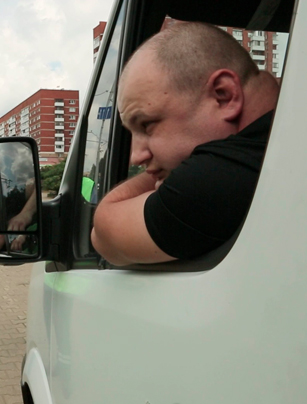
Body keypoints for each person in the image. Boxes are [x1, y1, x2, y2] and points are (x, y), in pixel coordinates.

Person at [91, 22, 280, 266]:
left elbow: (104, 232)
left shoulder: (217, 178)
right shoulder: (291, 136)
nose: (135, 157)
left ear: (224, 95)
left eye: (147, 125)